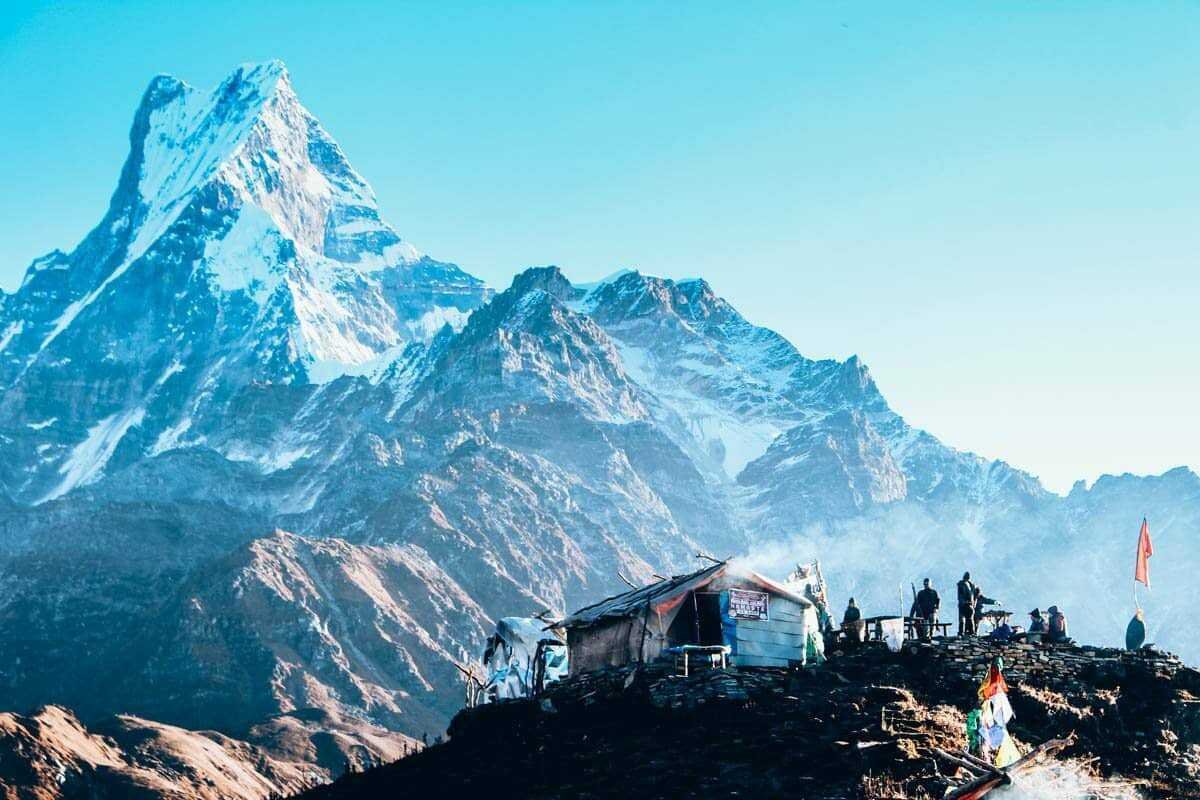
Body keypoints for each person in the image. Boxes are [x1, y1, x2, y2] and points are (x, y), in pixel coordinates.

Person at [957, 572, 977, 636]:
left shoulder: (968, 585)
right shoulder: (966, 585)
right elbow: (961, 596)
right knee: (967, 619)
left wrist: (972, 602)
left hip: (966, 604)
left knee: (966, 619)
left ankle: (966, 632)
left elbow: (961, 596)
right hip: (966, 604)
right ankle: (969, 632)